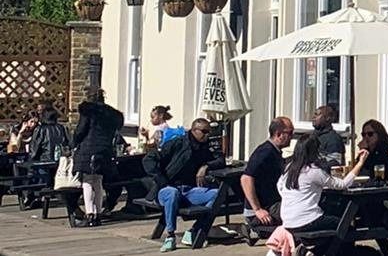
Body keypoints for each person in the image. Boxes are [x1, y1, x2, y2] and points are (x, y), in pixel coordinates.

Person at [145, 117, 226, 251]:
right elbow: (149, 159)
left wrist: (206, 166)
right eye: (204, 131)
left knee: (217, 195)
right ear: (194, 130)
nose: (207, 135)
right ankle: (170, 236)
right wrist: (161, 180)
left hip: (189, 190)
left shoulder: (206, 147)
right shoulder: (177, 143)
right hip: (166, 189)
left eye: (209, 132)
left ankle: (194, 230)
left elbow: (221, 160)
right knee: (172, 193)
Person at [277, 134, 369, 236]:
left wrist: (291, 197)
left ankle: (320, 249)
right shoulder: (313, 171)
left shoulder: (289, 168)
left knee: (331, 214)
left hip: (287, 220)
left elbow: (279, 186)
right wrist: (360, 163)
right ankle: (340, 251)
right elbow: (342, 184)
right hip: (308, 220)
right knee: (346, 226)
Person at [71, 88, 125, 227]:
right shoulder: (112, 114)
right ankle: (98, 213)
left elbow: (81, 131)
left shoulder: (89, 112)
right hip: (105, 149)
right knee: (99, 181)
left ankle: (90, 214)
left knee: (88, 181)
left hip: (88, 149)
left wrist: (74, 142)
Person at [241, 117, 295, 229]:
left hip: (272, 204)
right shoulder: (265, 152)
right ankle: (254, 229)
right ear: (279, 134)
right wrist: (257, 209)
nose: (292, 137)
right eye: (290, 133)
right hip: (263, 209)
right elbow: (246, 178)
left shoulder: (274, 152)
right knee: (301, 209)